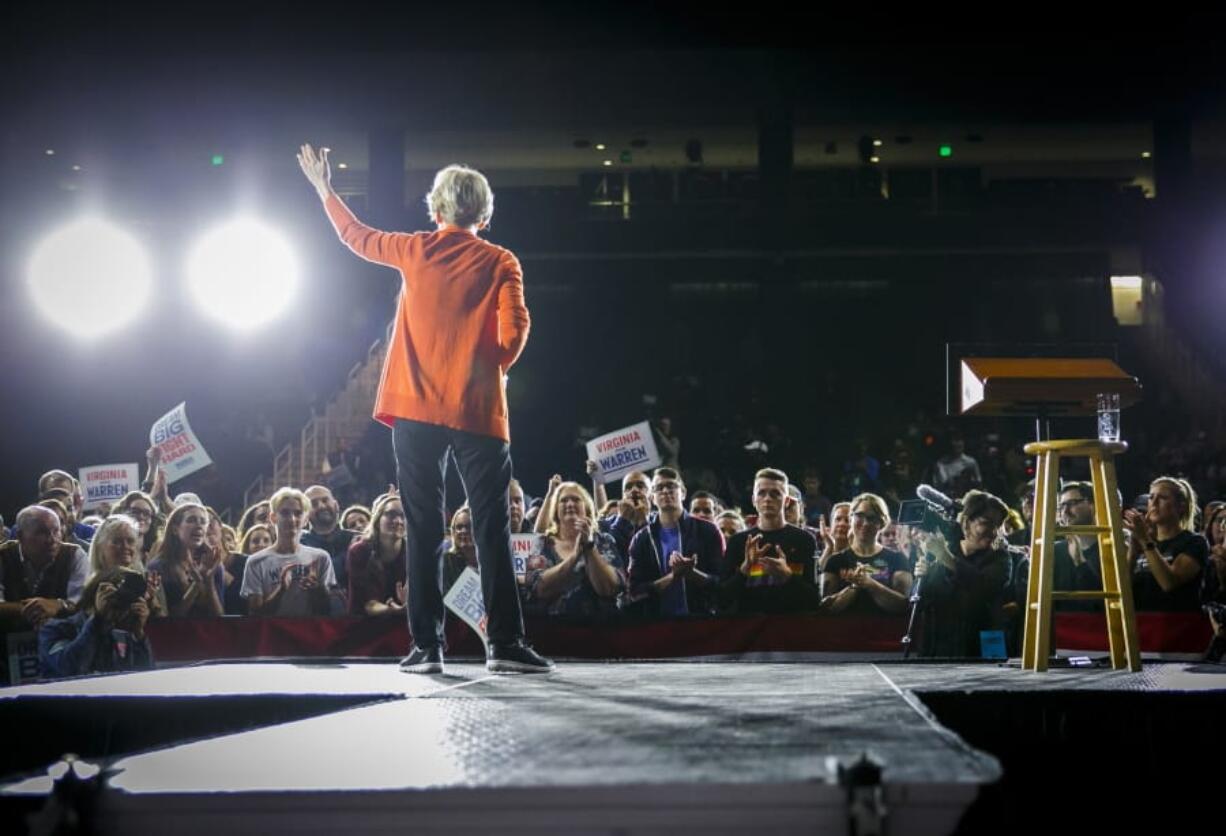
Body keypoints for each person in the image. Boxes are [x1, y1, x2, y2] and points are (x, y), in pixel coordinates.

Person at [301, 145, 551, 673]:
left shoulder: (415, 249)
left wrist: (326, 190)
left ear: (435, 210)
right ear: (484, 215)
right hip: (479, 410)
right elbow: (516, 330)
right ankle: (503, 645)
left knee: (422, 527)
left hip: (414, 410)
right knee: (491, 529)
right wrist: (492, 367)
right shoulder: (502, 260)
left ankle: (427, 647)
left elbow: (357, 237)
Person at [914, 489, 1010, 657]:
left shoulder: (1000, 558)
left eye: (998, 525)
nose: (994, 532)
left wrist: (946, 558)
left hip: (987, 646)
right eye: (986, 523)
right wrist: (920, 577)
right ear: (966, 523)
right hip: (940, 647)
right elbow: (917, 602)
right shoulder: (941, 552)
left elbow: (985, 586)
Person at [719, 468, 820, 614]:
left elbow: (814, 601)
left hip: (791, 630)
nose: (767, 498)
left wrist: (787, 576)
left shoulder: (804, 540)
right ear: (754, 500)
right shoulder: (738, 542)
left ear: (786, 501)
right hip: (749, 631)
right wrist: (745, 569)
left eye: (775, 494)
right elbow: (722, 600)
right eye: (762, 493)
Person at [625, 468, 724, 617]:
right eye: (659, 488)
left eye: (671, 486)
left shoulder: (708, 531)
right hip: (659, 626)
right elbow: (634, 591)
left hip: (702, 622)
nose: (665, 491)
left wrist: (692, 574)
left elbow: (722, 583)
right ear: (652, 497)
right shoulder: (641, 539)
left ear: (683, 493)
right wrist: (672, 577)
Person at [524, 482, 625, 617]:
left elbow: (610, 589)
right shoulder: (541, 543)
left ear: (587, 508)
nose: (570, 504)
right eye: (564, 500)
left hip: (601, 630)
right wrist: (574, 557)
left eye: (576, 499)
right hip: (553, 631)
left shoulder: (604, 541)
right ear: (555, 511)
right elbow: (539, 589)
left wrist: (589, 547)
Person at [38, 566, 154, 678]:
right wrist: (98, 619)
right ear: (96, 593)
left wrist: (139, 636)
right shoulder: (55, 629)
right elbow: (70, 669)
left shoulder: (122, 635)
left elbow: (144, 679)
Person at [241, 487, 339, 617]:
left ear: (305, 520)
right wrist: (281, 590)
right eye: (285, 513)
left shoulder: (320, 558)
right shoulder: (256, 561)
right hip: (273, 634)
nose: (292, 519)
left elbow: (328, 611)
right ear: (273, 517)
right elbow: (255, 614)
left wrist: (317, 590)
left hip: (310, 634)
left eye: (298, 513)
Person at [1123, 476, 1208, 611]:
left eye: (1163, 497)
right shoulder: (1145, 542)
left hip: (1177, 624)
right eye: (1151, 497)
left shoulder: (1194, 542)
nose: (1154, 502)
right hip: (1143, 623)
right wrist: (1133, 550)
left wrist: (1145, 540)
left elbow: (1169, 583)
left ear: (1181, 506)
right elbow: (1123, 589)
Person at [820, 493, 912, 614]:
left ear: (881, 522)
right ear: (851, 517)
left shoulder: (898, 559)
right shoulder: (835, 561)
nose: (865, 523)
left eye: (872, 518)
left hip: (886, 630)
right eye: (860, 516)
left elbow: (903, 606)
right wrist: (855, 586)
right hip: (843, 630)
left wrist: (870, 584)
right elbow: (826, 609)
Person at [0, 506, 89, 631]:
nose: (52, 539)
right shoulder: (3, 556)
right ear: (20, 536)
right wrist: (38, 608)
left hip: (62, 639)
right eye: (42, 532)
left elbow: (82, 602)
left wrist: (58, 605)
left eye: (56, 531)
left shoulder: (74, 554)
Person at [146, 504, 225, 618]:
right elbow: (169, 620)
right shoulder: (158, 567)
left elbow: (220, 617)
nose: (199, 526)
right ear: (175, 529)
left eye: (203, 522)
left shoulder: (213, 565)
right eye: (191, 520)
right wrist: (196, 584)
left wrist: (208, 580)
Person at [347, 494, 408, 617]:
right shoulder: (359, 551)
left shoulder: (415, 554)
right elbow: (368, 604)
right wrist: (393, 610)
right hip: (364, 623)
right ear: (377, 520)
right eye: (391, 514)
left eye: (403, 516)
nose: (398, 521)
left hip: (403, 622)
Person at [301, 484, 356, 598]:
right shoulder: (298, 545)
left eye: (325, 500)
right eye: (314, 504)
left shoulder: (358, 539)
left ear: (336, 505)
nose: (321, 506)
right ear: (305, 514)